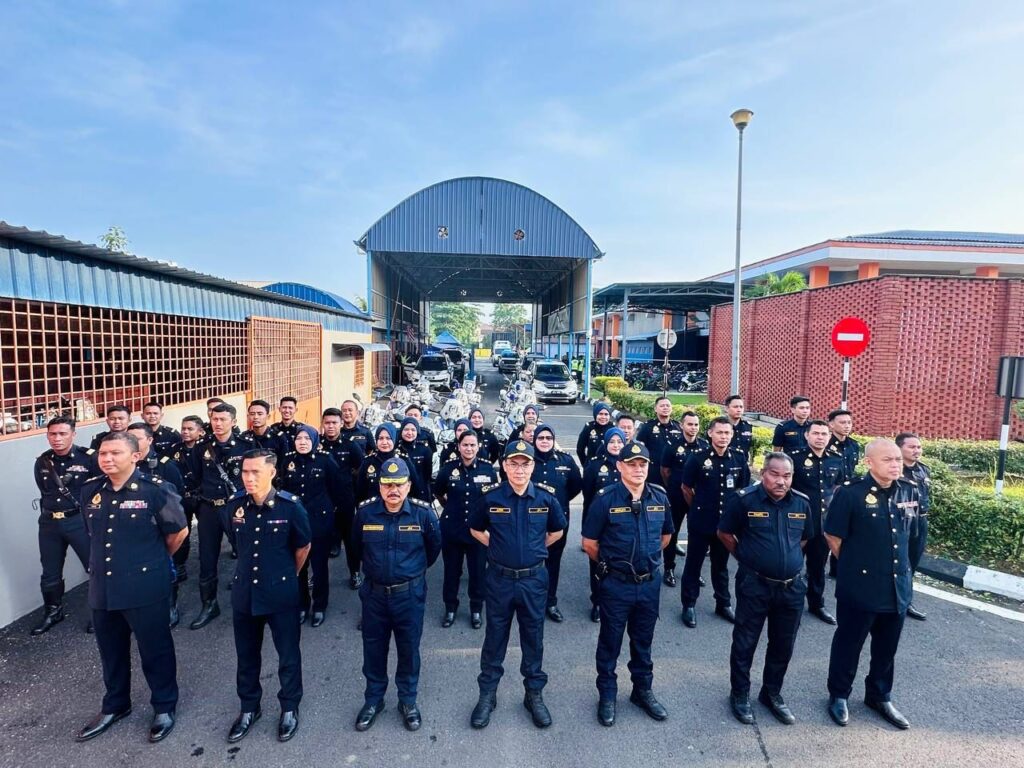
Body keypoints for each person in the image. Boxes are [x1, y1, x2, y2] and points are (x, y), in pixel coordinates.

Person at [76, 432, 188, 744]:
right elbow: (92, 533)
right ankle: (115, 705)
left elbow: (178, 532)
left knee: (155, 650)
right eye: (103, 453)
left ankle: (164, 706)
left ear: (135, 456)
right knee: (110, 651)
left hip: (144, 586)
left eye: (115, 453)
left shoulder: (155, 490)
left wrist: (152, 560)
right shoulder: (90, 490)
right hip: (103, 586)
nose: (107, 459)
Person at [468, 441, 566, 730]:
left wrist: (535, 551)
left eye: (525, 464)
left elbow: (557, 531)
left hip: (533, 581)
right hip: (499, 580)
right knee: (494, 638)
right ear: (504, 466)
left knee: (533, 638)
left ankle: (533, 694)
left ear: (533, 466)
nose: (519, 469)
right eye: (513, 463)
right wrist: (497, 547)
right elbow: (475, 528)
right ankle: (487, 695)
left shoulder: (546, 498)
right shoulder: (491, 497)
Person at [825, 439, 920, 730]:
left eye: (897, 459)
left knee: (886, 648)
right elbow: (833, 536)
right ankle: (839, 694)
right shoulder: (850, 493)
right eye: (888, 460)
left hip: (897, 586)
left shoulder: (909, 490)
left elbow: (910, 535)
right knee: (849, 643)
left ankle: (879, 696)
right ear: (869, 462)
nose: (895, 464)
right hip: (861, 586)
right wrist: (856, 565)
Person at [222, 449, 311, 743]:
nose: (248, 478)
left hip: (280, 593)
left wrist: (283, 575)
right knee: (246, 656)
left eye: (255, 472)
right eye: (244, 472)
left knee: (288, 654)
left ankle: (289, 707)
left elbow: (303, 547)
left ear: (272, 473)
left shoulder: (290, 507)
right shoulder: (234, 506)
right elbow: (237, 543)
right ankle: (249, 708)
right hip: (245, 593)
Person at [582, 441, 674, 727]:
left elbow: (665, 537)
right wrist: (613, 566)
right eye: (631, 464)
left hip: (648, 585)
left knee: (643, 641)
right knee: (610, 642)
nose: (638, 469)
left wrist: (647, 561)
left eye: (642, 464)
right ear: (620, 466)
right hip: (616, 584)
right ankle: (607, 694)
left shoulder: (659, 496)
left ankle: (642, 691)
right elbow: (589, 544)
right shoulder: (605, 499)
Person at [718, 452, 812, 725]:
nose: (781, 481)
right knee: (745, 642)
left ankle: (771, 693)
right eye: (775, 474)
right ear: (763, 473)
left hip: (791, 588)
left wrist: (785, 562)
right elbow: (725, 533)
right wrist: (749, 558)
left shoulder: (802, 503)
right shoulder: (744, 500)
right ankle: (740, 694)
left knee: (783, 644)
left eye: (787, 476)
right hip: (755, 584)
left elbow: (804, 538)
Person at [351, 458, 442, 732]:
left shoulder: (423, 514)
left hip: (409, 596)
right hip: (375, 596)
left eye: (399, 484)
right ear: (379, 486)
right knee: (373, 649)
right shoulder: (365, 514)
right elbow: (356, 548)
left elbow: (433, 550)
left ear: (409, 486)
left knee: (409, 650)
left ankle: (408, 701)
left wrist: (409, 573)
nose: (393, 490)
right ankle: (373, 700)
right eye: (388, 484)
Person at [679, 417, 750, 628]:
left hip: (725, 525)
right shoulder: (698, 458)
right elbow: (686, 488)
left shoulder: (738, 458)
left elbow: (742, 490)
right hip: (701, 521)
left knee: (721, 566)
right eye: (719, 432)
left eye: (727, 433)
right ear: (710, 433)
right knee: (694, 564)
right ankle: (689, 604)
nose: (724, 437)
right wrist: (698, 507)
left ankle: (723, 603)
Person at [188, 403, 254, 630]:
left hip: (236, 507)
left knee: (246, 552)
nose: (217, 423)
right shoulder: (201, 447)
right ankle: (209, 604)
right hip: (209, 509)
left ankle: (250, 599)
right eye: (214, 419)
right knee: (207, 558)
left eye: (223, 419)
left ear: (233, 422)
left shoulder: (246, 446)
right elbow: (196, 476)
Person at [31, 416, 97, 636]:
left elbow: (100, 490)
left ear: (73, 434)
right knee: (50, 571)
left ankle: (101, 613)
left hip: (79, 521)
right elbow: (44, 492)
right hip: (50, 523)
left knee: (94, 568)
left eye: (62, 433)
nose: (57, 438)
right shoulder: (43, 461)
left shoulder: (89, 458)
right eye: (52, 434)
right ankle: (53, 611)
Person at [279, 426, 344, 626]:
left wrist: (332, 517)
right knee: (298, 566)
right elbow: (282, 489)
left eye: (307, 439)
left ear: (315, 441)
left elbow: (337, 490)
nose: (303, 442)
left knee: (319, 566)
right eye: (299, 438)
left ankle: (319, 606)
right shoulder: (288, 460)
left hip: (319, 522)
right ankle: (301, 605)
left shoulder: (325, 460)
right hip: (295, 523)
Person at [433, 429, 498, 629]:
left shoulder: (487, 470)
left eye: (472, 445)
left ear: (478, 447)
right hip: (452, 529)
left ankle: (476, 609)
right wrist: (450, 507)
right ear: (459, 447)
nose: (469, 448)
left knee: (478, 573)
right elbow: (438, 492)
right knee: (452, 572)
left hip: (478, 532)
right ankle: (450, 608)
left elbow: (493, 498)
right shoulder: (448, 468)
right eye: (465, 445)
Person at [789, 420, 848, 626]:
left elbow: (839, 488)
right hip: (798, 523)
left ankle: (816, 604)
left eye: (824, 434)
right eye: (816, 433)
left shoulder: (836, 459)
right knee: (792, 565)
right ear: (807, 435)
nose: (820, 437)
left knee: (817, 567)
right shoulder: (794, 458)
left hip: (823, 524)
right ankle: (788, 604)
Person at [127, 422, 186, 627]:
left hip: (159, 527)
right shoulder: (125, 463)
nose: (132, 442)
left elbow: (177, 496)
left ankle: (170, 606)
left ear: (150, 440)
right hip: (132, 527)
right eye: (129, 438)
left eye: (137, 438)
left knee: (166, 569)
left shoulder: (165, 465)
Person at [530, 424, 582, 622]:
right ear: (534, 440)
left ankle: (550, 602)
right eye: (541, 438)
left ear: (553, 440)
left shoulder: (565, 460)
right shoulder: (526, 459)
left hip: (557, 523)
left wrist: (560, 502)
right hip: (531, 523)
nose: (545, 441)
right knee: (530, 563)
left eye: (548, 438)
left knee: (553, 563)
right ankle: (530, 601)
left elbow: (576, 486)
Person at [581, 428, 626, 622]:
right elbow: (588, 496)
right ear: (605, 444)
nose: (616, 445)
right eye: (612, 442)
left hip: (623, 523)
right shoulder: (594, 465)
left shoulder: (629, 464)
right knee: (598, 564)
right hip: (600, 523)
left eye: (619, 442)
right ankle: (597, 602)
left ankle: (616, 600)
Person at [659, 411, 709, 587]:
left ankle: (694, 572)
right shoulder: (672, 445)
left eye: (696, 424)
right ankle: (669, 568)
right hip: (677, 497)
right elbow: (665, 471)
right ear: (681, 425)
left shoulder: (705, 446)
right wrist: (674, 486)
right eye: (689, 424)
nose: (693, 428)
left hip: (698, 499)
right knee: (672, 533)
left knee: (697, 536)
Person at [319, 407, 365, 585]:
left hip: (345, 500)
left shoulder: (350, 445)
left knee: (350, 540)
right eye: (327, 423)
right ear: (323, 424)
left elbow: (361, 469)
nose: (330, 426)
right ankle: (318, 575)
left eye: (334, 423)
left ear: (341, 424)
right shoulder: (317, 445)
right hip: (322, 501)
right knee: (320, 540)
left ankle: (355, 573)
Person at [897, 432, 930, 621]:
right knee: (898, 561)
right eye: (911, 447)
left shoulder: (923, 470)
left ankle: (906, 601)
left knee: (913, 561)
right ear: (899, 448)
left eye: (918, 447)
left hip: (920, 521)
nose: (916, 450)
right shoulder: (894, 470)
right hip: (900, 522)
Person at [169, 416, 204, 593]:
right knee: (183, 531)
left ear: (200, 431)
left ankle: (206, 563)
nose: (185, 432)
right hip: (182, 497)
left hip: (202, 497)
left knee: (206, 532)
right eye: (183, 428)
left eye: (190, 429)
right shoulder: (174, 449)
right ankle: (180, 564)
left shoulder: (206, 449)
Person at [635, 396, 681, 489]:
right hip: (654, 473)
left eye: (668, 405)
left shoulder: (678, 427)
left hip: (674, 473)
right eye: (662, 406)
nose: (665, 408)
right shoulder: (647, 427)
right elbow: (640, 450)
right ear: (655, 409)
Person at [356, 424, 401, 503]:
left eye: (388, 438)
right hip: (372, 508)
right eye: (380, 438)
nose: (384, 442)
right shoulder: (368, 462)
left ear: (394, 439)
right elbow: (360, 491)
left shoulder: (402, 461)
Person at [398, 418, 434, 502]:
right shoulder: (396, 448)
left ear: (417, 431)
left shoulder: (425, 449)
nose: (409, 433)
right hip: (400, 490)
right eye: (406, 429)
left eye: (413, 430)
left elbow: (427, 474)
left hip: (419, 492)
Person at [827, 409, 861, 478]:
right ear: (831, 424)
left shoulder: (854, 445)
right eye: (842, 423)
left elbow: (852, 468)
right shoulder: (825, 445)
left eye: (849, 423)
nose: (847, 426)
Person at [724, 395, 753, 461]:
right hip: (725, 462)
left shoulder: (747, 426)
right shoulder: (720, 426)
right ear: (727, 408)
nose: (739, 410)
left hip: (742, 463)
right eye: (735, 407)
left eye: (741, 407)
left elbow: (748, 448)